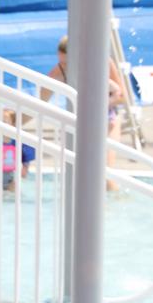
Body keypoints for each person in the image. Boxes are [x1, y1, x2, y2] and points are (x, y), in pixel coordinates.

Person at [41, 35, 126, 191]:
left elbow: (122, 97)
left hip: (108, 117)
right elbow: (38, 104)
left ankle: (118, 204)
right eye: (60, 61)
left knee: (106, 176)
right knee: (82, 178)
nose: (63, 65)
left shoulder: (101, 63)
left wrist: (99, 106)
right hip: (84, 122)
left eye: (66, 63)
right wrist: (12, 119)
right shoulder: (58, 71)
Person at [0, 109, 35, 193]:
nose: (2, 124)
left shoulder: (15, 141)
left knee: (13, 196)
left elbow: (26, 154)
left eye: (5, 122)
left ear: (13, 124)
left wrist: (25, 168)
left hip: (12, 176)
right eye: (0, 121)